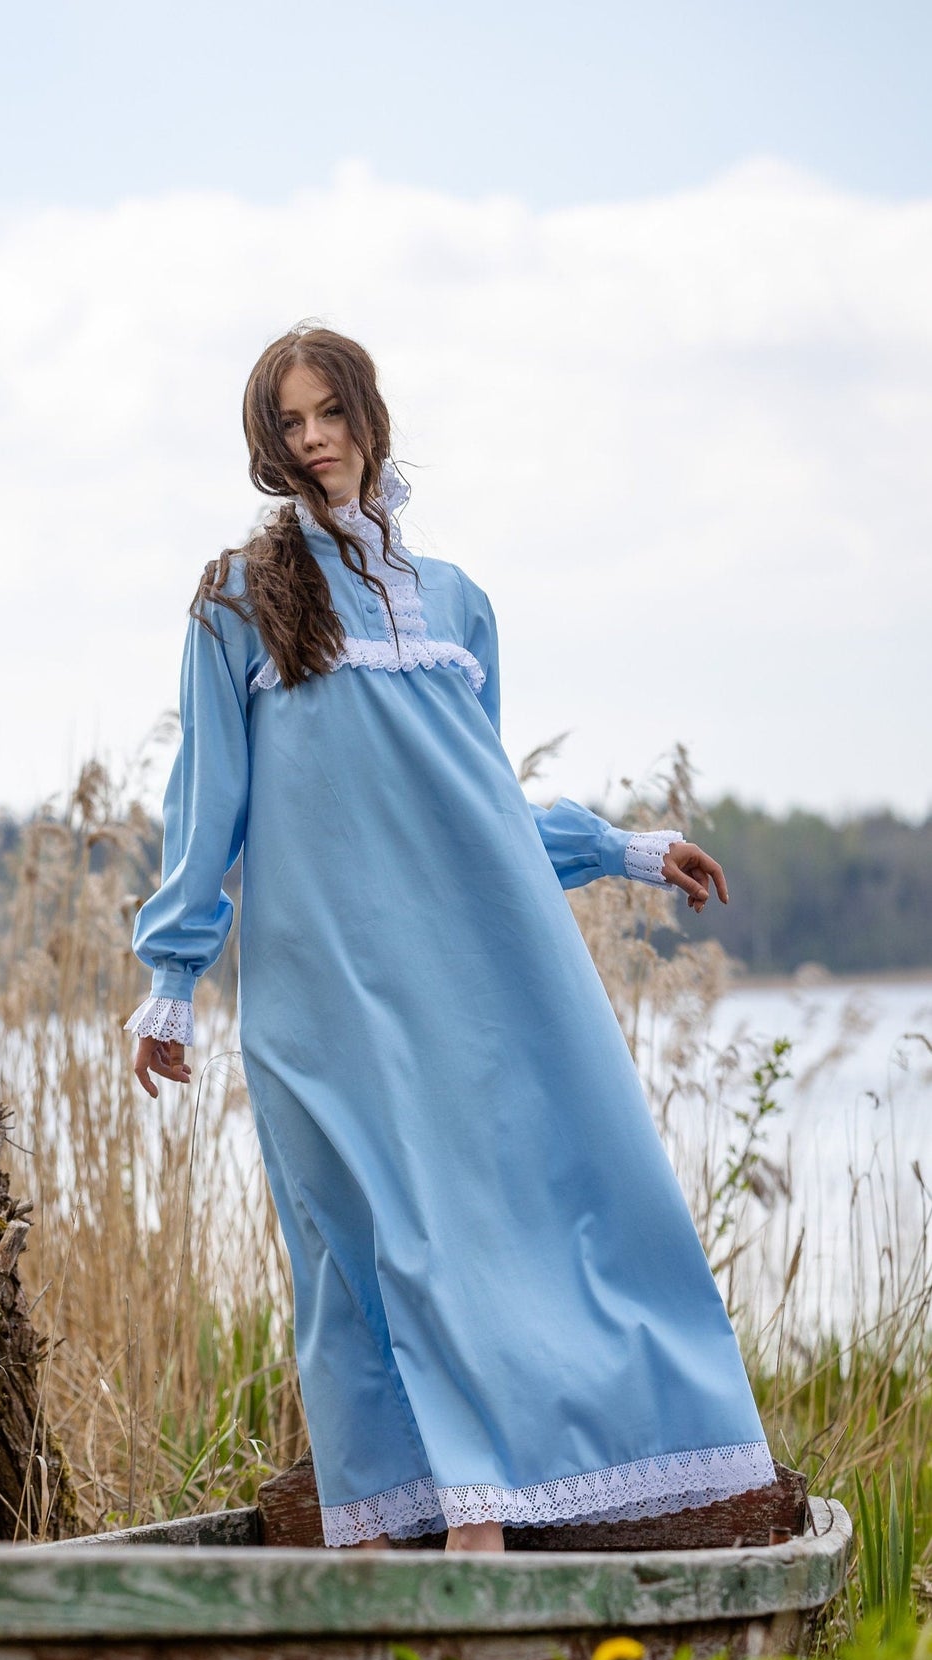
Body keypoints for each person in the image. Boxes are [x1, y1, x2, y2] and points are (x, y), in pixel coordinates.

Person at [124, 324, 774, 1553]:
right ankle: (382, 1531)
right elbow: (205, 803)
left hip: (458, 972)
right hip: (318, 982)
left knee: (489, 1221)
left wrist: (624, 849)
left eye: (329, 412)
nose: (313, 439)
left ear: (368, 415)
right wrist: (172, 976)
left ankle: (484, 1511)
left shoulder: (456, 601)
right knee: (354, 1238)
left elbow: (478, 806)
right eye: (288, 423)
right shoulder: (236, 599)